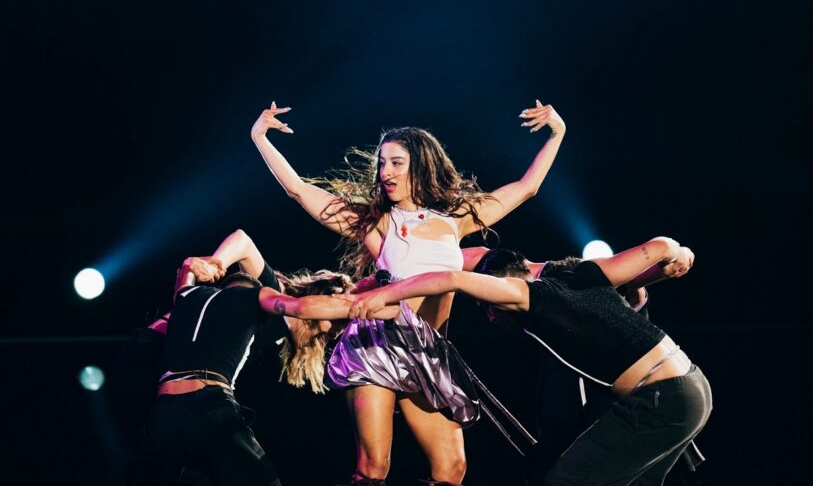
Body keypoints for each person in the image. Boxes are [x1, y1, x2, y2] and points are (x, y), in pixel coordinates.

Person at [250, 100, 566, 485]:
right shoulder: (377, 223)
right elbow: (300, 191)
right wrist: (260, 137)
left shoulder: (455, 220)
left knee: (451, 470)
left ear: (421, 164)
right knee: (373, 469)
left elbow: (526, 188)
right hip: (378, 345)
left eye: (396, 162)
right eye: (382, 163)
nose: (386, 172)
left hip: (429, 350)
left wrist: (557, 132)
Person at [344, 236, 712, 486]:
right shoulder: (581, 273)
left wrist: (385, 294)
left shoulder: (526, 294)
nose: (492, 317)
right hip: (690, 388)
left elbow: (453, 277)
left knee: (564, 481)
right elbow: (658, 248)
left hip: (660, 400)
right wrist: (678, 255)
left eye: (489, 306)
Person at [145, 230, 375, 486]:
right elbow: (243, 242)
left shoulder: (187, 296)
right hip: (207, 405)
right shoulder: (265, 297)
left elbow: (186, 272)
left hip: (164, 412)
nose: (334, 333)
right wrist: (216, 264)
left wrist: (192, 266)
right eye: (335, 323)